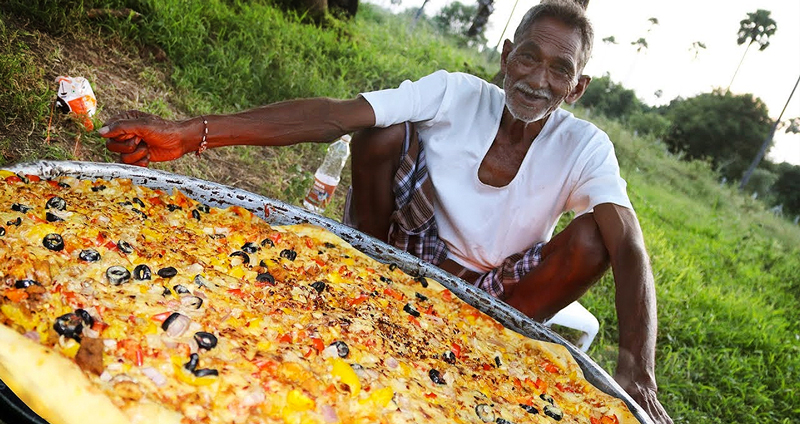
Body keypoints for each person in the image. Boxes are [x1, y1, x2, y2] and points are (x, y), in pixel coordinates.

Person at [100, 1, 672, 422]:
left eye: (559, 70)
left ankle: (482, 355)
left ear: (578, 87)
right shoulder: (455, 92)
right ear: (506, 57)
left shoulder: (586, 146)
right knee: (379, 130)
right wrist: (190, 134)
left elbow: (628, 246)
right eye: (528, 58)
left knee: (598, 237)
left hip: (497, 293)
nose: (537, 80)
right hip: (404, 253)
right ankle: (360, 276)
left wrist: (636, 368)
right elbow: (336, 114)